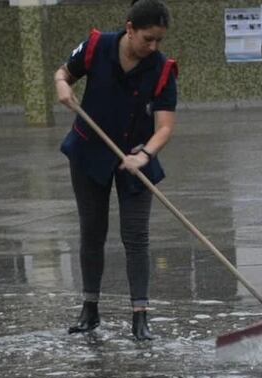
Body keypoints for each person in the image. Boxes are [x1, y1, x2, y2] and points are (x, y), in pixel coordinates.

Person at [54, 0, 178, 341]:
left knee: (136, 237)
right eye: (148, 39)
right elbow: (64, 73)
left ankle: (140, 316)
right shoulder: (97, 47)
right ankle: (89, 310)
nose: (153, 47)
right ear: (130, 28)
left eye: (159, 40)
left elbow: (165, 127)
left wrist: (145, 155)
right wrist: (62, 84)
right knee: (92, 231)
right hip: (89, 151)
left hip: (136, 157)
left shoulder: (162, 69)